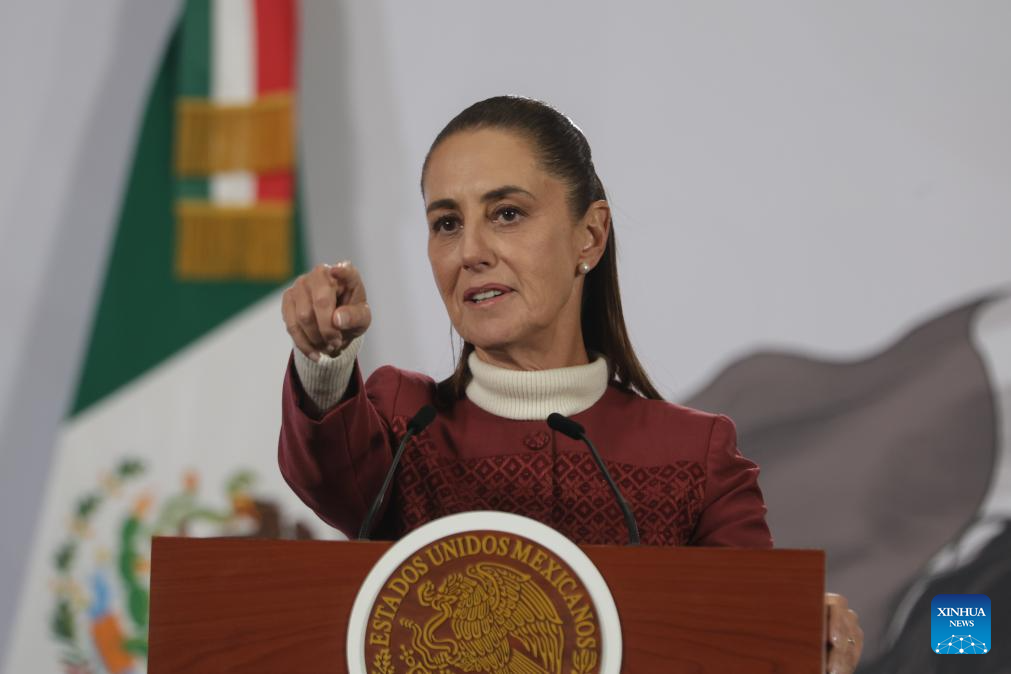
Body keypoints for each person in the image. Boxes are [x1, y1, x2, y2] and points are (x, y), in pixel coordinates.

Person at [278, 96, 863, 673]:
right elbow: (329, 473)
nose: (471, 252)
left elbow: (751, 640)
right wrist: (324, 358)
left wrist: (809, 640)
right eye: (447, 224)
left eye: (507, 213)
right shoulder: (402, 422)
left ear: (590, 235)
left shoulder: (697, 456)